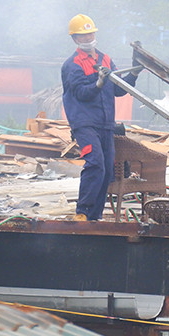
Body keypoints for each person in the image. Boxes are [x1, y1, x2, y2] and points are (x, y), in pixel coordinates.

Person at [61, 14, 138, 221]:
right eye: (83, 36)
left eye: (90, 34)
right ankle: (83, 212)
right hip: (84, 123)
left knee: (106, 170)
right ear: (75, 39)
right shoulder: (73, 65)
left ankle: (94, 217)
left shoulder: (106, 59)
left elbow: (119, 90)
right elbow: (81, 93)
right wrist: (98, 83)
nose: (88, 38)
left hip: (105, 123)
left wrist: (134, 74)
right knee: (95, 163)